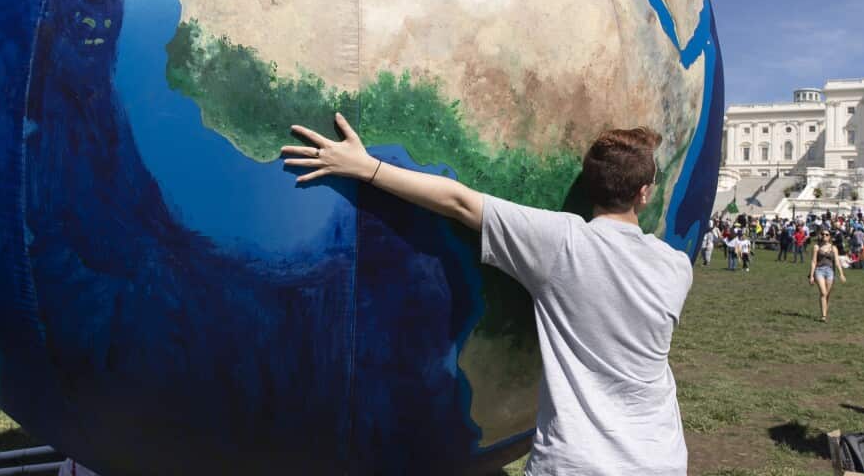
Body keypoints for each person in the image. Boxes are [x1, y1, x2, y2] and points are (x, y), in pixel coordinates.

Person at [282, 114, 692, 474]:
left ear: (588, 186)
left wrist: (365, 167)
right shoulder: (677, 268)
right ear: (644, 193)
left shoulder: (561, 244)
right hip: (661, 458)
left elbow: (459, 203)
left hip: (577, 463)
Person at [807, 230, 846, 322]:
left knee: (827, 295)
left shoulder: (833, 248)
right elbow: (813, 262)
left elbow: (837, 262)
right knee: (823, 293)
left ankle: (824, 313)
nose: (824, 235)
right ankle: (823, 316)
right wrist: (811, 275)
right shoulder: (816, 247)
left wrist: (841, 274)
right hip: (819, 270)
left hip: (830, 271)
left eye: (826, 234)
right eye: (822, 234)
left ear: (829, 237)